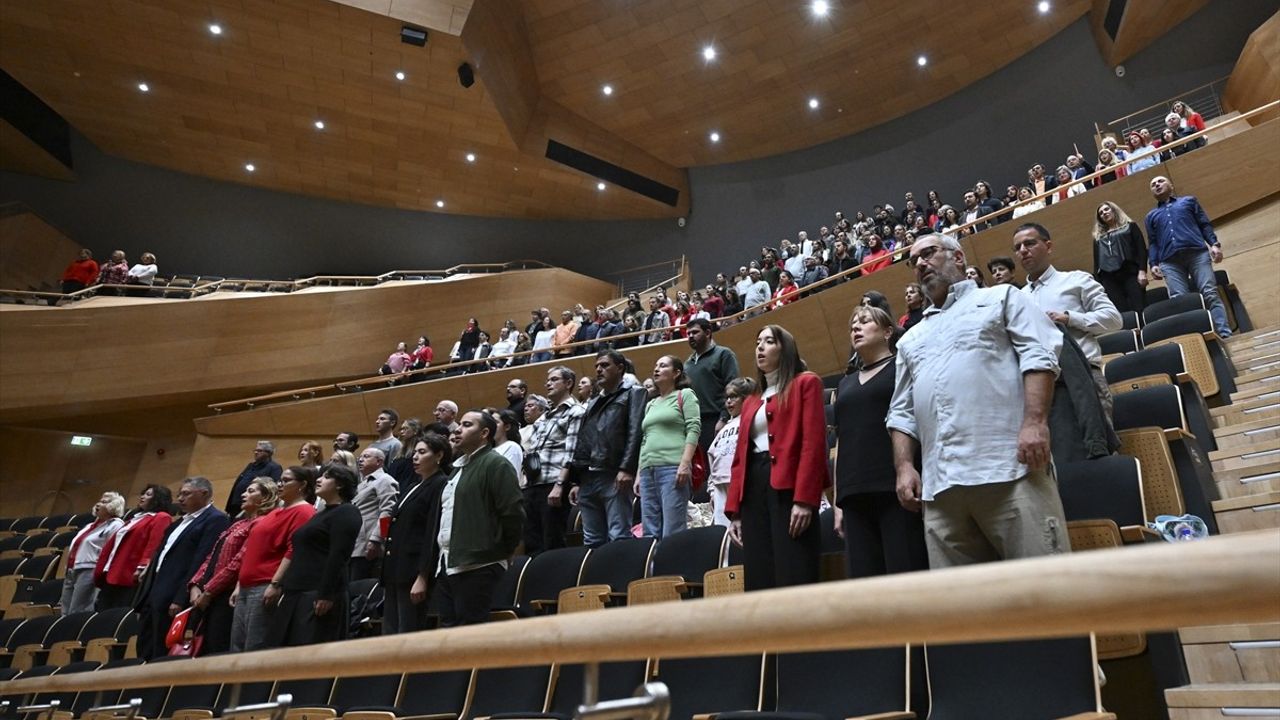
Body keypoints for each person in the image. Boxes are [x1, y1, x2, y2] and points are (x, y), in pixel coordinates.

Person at [888, 234, 1068, 568]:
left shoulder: (1002, 297)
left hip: (1010, 467)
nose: (920, 264)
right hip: (940, 488)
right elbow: (901, 410)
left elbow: (1039, 357)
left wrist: (1035, 423)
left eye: (928, 254)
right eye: (914, 262)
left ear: (958, 258)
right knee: (967, 610)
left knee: (1046, 595)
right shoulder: (911, 338)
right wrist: (904, 467)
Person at [726, 325, 830, 591]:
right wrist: (735, 512)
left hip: (789, 487)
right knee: (759, 571)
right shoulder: (751, 400)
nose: (760, 347)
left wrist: (806, 500)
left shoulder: (806, 383)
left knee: (793, 565)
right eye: (758, 341)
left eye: (769, 341)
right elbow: (740, 456)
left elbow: (813, 443)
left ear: (785, 348)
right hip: (754, 489)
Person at [834, 307, 929, 578]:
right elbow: (841, 439)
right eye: (853, 324)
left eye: (864, 322)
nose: (856, 327)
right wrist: (839, 501)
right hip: (854, 491)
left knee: (906, 573)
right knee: (865, 581)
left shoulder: (901, 368)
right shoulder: (845, 383)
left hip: (894, 487)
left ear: (888, 332)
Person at [435, 411, 524, 626]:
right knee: (449, 635)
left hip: (478, 563)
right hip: (447, 562)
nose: (458, 429)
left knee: (470, 633)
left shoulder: (496, 463)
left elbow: (512, 512)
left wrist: (504, 549)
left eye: (467, 425)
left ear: (484, 433)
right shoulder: (457, 470)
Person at [266, 464, 362, 646]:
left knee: (307, 650)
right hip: (296, 592)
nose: (318, 480)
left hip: (316, 593)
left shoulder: (347, 512)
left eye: (326, 477)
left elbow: (338, 556)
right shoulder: (321, 513)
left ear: (339, 485)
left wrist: (326, 594)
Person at [136, 477, 230, 659]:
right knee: (145, 645)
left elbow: (201, 560)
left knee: (163, 649)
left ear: (204, 494)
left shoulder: (216, 519)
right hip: (154, 590)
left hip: (174, 595)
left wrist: (181, 597)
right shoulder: (178, 523)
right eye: (180, 494)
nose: (180, 498)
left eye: (186, 494)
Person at [187, 477, 278, 654]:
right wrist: (195, 585)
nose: (244, 494)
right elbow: (211, 557)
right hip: (209, 593)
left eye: (251, 491)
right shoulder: (239, 523)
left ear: (265, 497)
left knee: (218, 647)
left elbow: (238, 562)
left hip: (226, 595)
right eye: (245, 490)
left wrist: (208, 591)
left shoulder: (260, 524)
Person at [232, 466, 317, 652]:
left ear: (302, 485)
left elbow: (293, 550)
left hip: (264, 586)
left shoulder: (304, 512)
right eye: (280, 480)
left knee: (254, 647)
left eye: (286, 480)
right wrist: (239, 584)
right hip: (246, 587)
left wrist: (275, 584)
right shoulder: (274, 512)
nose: (280, 484)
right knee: (236, 648)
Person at [567, 350, 647, 547]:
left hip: (613, 473)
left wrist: (627, 468)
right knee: (592, 540)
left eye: (604, 365)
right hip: (587, 475)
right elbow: (584, 438)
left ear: (620, 368)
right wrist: (576, 480)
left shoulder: (634, 392)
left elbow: (635, 431)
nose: (599, 370)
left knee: (618, 535)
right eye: (596, 367)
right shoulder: (594, 401)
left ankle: (621, 577)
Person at [1144, 175, 1231, 337]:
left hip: (1197, 254)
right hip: (1169, 262)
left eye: (1160, 181)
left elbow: (1204, 224)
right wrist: (1153, 263)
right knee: (1180, 302)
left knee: (1210, 293)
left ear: (1170, 184)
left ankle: (1224, 334)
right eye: (1153, 184)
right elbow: (1153, 242)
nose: (1157, 185)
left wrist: (1214, 244)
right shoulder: (1150, 216)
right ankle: (1196, 338)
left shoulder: (1189, 201)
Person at [381, 433, 450, 634]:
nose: (415, 457)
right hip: (396, 567)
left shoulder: (440, 483)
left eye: (422, 452)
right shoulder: (412, 486)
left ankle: (406, 667)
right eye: (415, 452)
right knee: (390, 630)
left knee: (407, 630)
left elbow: (431, 531)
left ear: (438, 456)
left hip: (412, 570)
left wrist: (423, 576)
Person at [638, 356, 701, 539]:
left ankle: (673, 567)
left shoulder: (685, 395)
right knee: (649, 531)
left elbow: (693, 429)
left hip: (672, 468)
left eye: (663, 366)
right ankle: (652, 568)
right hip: (647, 471)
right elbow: (645, 439)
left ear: (676, 373)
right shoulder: (650, 404)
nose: (656, 369)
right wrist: (638, 474)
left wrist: (685, 463)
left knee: (673, 530)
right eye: (655, 365)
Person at [527, 367, 585, 554]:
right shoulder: (544, 417)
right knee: (533, 542)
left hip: (554, 483)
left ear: (568, 383)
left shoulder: (576, 411)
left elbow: (571, 451)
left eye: (554, 379)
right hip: (534, 483)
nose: (548, 383)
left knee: (553, 541)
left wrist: (560, 485)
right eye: (547, 380)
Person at [93, 484, 173, 609]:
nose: (142, 497)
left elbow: (154, 544)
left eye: (148, 494)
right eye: (143, 493)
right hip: (112, 573)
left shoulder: (161, 517)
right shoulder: (133, 519)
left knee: (117, 615)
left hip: (130, 575)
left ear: (159, 498)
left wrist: (142, 567)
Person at [60, 492, 125, 615]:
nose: (99, 504)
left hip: (89, 569)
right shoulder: (90, 525)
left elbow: (112, 550)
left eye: (104, 502)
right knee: (65, 610)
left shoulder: (116, 525)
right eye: (99, 501)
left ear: (114, 506)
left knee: (78, 610)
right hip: (72, 568)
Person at [685, 318, 741, 451]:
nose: (690, 336)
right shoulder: (687, 364)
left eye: (695, 332)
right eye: (688, 334)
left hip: (715, 419)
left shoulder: (723, 354)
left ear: (708, 332)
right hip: (693, 423)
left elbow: (733, 386)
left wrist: (724, 417)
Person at [706, 378, 754, 528]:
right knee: (724, 529)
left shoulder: (751, 420)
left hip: (742, 482)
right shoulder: (725, 428)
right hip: (720, 485)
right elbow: (712, 456)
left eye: (734, 397)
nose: (728, 401)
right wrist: (712, 490)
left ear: (747, 398)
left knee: (745, 527)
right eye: (727, 398)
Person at [349, 448, 398, 581]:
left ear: (379, 461)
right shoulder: (362, 483)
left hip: (368, 544)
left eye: (366, 457)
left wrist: (377, 539)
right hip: (355, 543)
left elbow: (388, 511)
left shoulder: (385, 480)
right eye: (360, 457)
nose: (361, 459)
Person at [1093, 201, 1150, 314]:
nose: (1104, 213)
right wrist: (1099, 284)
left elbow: (1141, 249)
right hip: (1108, 278)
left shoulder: (1130, 226)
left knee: (1139, 307)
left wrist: (1142, 271)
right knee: (1120, 312)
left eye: (1106, 209)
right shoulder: (1098, 237)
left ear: (1114, 210)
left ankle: (1144, 331)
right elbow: (1096, 262)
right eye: (1101, 213)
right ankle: (1130, 332)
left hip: (1130, 273)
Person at [225, 441, 283, 517]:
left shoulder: (274, 467)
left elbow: (272, 489)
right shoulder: (251, 465)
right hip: (236, 504)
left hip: (253, 506)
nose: (256, 452)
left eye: (259, 451)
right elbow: (238, 484)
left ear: (268, 453)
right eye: (255, 450)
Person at [489, 408, 525, 475]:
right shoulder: (489, 449)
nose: (491, 426)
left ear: (507, 427)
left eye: (495, 422)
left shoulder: (512, 447)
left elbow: (510, 478)